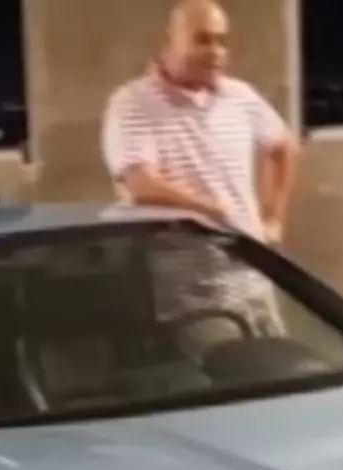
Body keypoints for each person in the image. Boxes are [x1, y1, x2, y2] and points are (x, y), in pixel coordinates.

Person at [101, 0, 299, 376]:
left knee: (284, 382)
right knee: (241, 380)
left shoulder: (240, 96)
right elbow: (140, 185)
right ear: (170, 40)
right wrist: (210, 209)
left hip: (253, 279)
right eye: (203, 40)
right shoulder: (133, 103)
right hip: (192, 293)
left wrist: (274, 215)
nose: (216, 52)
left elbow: (283, 147)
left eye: (222, 41)